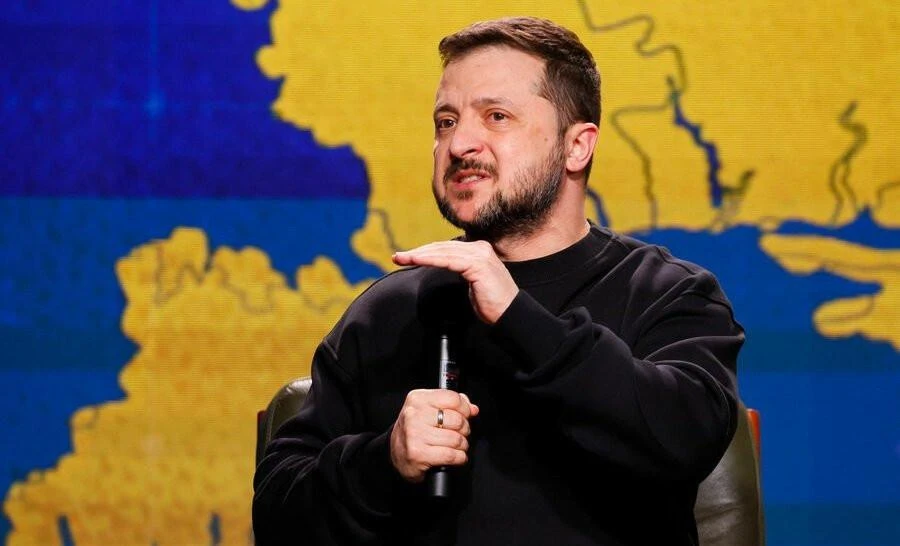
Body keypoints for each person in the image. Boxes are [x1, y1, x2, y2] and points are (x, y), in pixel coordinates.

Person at [253, 16, 743, 545]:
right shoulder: (389, 311)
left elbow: (685, 438)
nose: (460, 143)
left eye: (496, 116)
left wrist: (518, 316)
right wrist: (383, 462)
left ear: (577, 146)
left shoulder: (668, 293)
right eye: (446, 122)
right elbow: (278, 514)